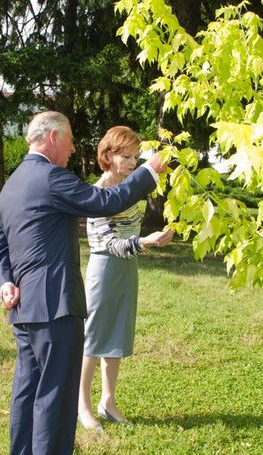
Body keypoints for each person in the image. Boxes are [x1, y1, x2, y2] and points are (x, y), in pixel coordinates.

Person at [0, 111, 167, 455]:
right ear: (52, 137)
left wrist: (4, 282)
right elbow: (105, 201)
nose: (71, 149)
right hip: (55, 305)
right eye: (68, 141)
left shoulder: (13, 183)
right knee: (57, 389)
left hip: (24, 306)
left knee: (28, 386)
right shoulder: (51, 177)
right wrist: (148, 172)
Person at [78, 126, 174, 433]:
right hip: (105, 269)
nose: (133, 162)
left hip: (127, 268)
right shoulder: (99, 193)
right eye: (126, 156)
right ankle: (82, 407)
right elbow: (110, 244)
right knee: (93, 338)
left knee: (117, 334)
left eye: (135, 156)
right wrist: (145, 242)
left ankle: (108, 402)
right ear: (108, 156)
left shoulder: (129, 188)